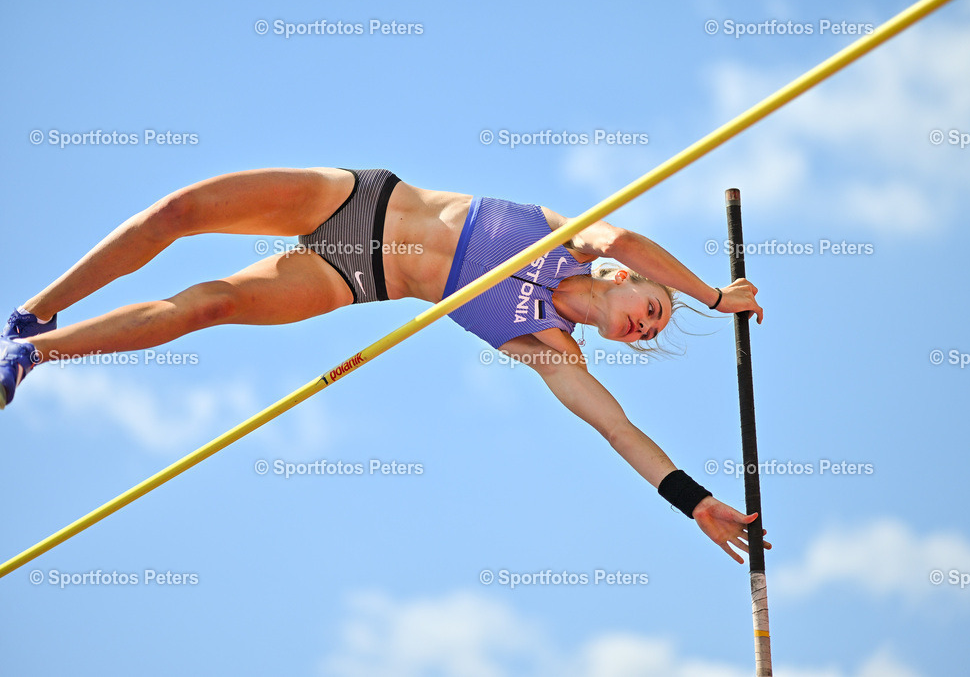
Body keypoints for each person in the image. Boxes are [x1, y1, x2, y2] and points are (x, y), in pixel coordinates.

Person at [1, 166, 770, 563]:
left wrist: (693, 500)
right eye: (655, 307)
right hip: (358, 203)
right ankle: (32, 314)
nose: (646, 324)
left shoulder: (548, 346)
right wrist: (706, 294)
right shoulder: (578, 239)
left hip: (361, 277)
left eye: (648, 334)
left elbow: (617, 429)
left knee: (209, 306)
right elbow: (628, 237)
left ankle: (32, 355)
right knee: (178, 214)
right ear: (628, 282)